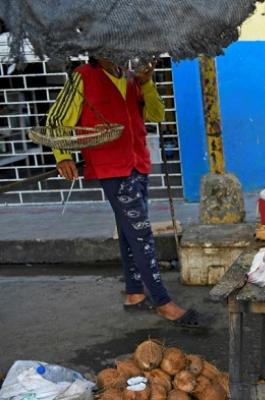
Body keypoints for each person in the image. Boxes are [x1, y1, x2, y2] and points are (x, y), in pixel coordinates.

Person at [48, 57, 206, 328]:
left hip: (137, 163)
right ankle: (162, 302)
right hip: (110, 167)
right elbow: (55, 120)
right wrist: (62, 155)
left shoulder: (132, 77)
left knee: (128, 229)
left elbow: (157, 115)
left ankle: (134, 293)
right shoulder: (82, 77)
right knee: (141, 232)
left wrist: (146, 83)